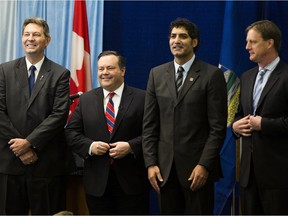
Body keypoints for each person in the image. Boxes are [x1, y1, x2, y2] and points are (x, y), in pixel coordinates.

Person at [142, 18, 227, 214]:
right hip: (164, 170)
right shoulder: (156, 74)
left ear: (194, 42)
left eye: (183, 36)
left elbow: (217, 128)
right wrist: (151, 163)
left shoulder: (211, 75)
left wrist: (204, 164)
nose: (176, 41)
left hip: (197, 172)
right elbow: (149, 126)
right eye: (173, 36)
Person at [0, 17, 71, 214]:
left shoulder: (60, 73)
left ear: (47, 40)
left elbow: (59, 115)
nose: (30, 39)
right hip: (10, 164)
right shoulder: (4, 70)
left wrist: (29, 142)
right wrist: (21, 148)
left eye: (36, 34)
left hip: (46, 164)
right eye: (27, 34)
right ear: (22, 38)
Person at [65, 50, 150, 215]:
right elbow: (71, 133)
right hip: (97, 184)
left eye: (110, 68)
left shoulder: (143, 98)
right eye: (101, 69)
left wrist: (131, 146)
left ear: (122, 71)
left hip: (132, 183)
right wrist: (90, 146)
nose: (104, 73)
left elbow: (152, 134)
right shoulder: (85, 100)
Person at [232, 20, 288, 214]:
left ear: (269, 43)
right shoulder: (246, 77)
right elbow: (239, 114)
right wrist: (235, 127)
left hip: (278, 177)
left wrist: (263, 124)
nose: (247, 47)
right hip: (248, 176)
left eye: (252, 42)